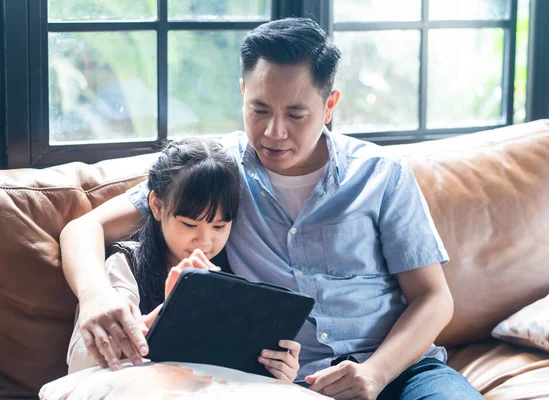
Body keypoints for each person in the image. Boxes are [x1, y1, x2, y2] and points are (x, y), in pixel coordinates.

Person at [60, 17, 484, 399]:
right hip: (280, 383)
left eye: (296, 114)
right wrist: (96, 296)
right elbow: (83, 228)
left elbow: (433, 298)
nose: (273, 133)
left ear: (330, 105)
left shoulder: (382, 175)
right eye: (258, 109)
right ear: (243, 92)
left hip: (401, 371)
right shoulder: (216, 170)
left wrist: (375, 373)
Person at [65, 138, 301, 382]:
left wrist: (277, 372)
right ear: (156, 206)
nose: (205, 241)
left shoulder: (235, 273)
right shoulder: (124, 266)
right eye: (189, 224)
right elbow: (82, 367)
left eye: (219, 226)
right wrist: (166, 316)